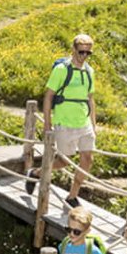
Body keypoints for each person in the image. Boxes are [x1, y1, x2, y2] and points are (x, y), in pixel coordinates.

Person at [43, 34, 98, 208]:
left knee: (87, 159)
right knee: (65, 161)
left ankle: (72, 195)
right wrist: (47, 123)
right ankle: (37, 172)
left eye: (88, 53)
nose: (84, 56)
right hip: (64, 121)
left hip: (84, 122)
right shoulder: (61, 70)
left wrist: (94, 125)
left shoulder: (89, 71)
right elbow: (48, 96)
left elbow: (90, 98)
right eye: (81, 52)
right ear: (73, 50)